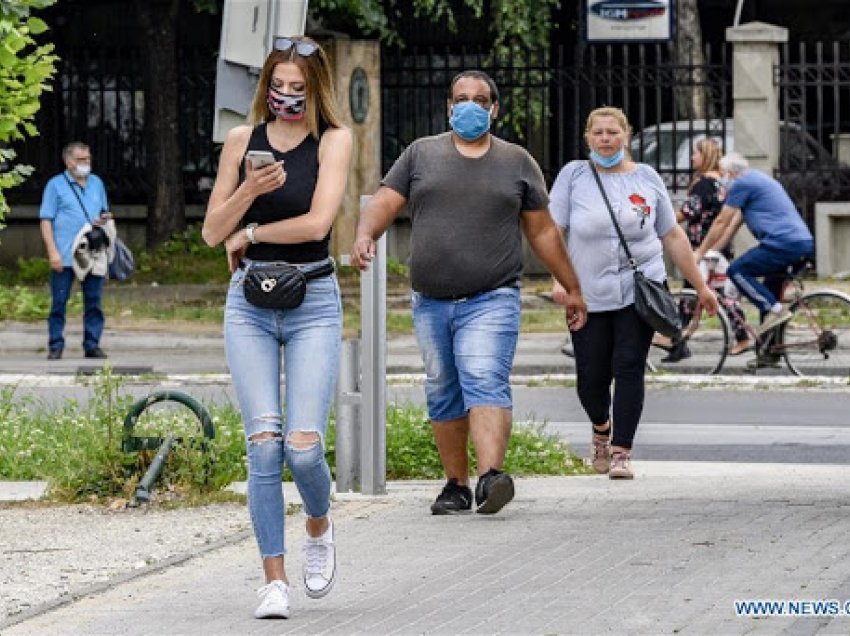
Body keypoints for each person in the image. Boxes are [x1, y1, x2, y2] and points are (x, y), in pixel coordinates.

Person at [351, 69, 587, 517]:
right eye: (462, 98)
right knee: (443, 390)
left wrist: (572, 288)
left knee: (483, 377)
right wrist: (366, 234)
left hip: (491, 297)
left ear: (494, 109)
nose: (470, 106)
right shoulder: (421, 154)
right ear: (448, 107)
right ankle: (455, 485)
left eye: (480, 99)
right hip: (431, 301)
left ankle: (491, 476)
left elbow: (543, 234)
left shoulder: (517, 162)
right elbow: (384, 201)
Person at [201, 35, 352, 620]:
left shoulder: (333, 141)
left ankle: (318, 524)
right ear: (265, 86)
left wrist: (255, 232)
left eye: (298, 89)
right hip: (249, 304)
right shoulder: (242, 141)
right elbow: (213, 231)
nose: (286, 97)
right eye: (278, 86)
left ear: (315, 92)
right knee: (263, 445)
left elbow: (318, 220)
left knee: (303, 447)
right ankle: (274, 579)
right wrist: (247, 192)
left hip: (312, 296)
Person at [549, 107, 718, 480]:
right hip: (587, 294)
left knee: (629, 366)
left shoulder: (647, 177)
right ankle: (601, 430)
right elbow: (553, 231)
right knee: (590, 377)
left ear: (626, 136)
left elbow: (672, 235)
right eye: (598, 133)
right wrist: (560, 279)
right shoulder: (574, 176)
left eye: (613, 132)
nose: (605, 139)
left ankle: (622, 451)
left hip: (639, 292)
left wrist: (701, 287)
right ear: (588, 138)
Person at [695, 153, 815, 367]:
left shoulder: (742, 183)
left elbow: (721, 221)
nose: (721, 180)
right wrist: (711, 252)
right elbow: (731, 228)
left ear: (730, 174)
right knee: (768, 293)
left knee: (737, 271)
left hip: (782, 244)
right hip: (799, 243)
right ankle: (769, 352)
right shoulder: (757, 181)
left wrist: (698, 252)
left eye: (722, 175)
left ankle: (776, 312)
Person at [661, 137, 751, 361]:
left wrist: (661, 221)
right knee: (717, 293)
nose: (692, 158)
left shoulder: (703, 184)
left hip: (701, 247)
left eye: (696, 153)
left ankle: (675, 339)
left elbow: (687, 213)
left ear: (706, 156)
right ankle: (741, 335)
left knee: (691, 293)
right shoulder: (721, 182)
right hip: (719, 247)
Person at [39, 141, 112, 360]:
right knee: (59, 302)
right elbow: (46, 220)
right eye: (81, 160)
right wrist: (53, 252)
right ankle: (56, 344)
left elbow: (104, 211)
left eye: (88, 159)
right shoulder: (55, 185)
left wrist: (104, 220)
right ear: (68, 162)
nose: (86, 163)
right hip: (64, 253)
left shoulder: (96, 183)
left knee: (94, 302)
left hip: (92, 253)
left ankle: (92, 344)